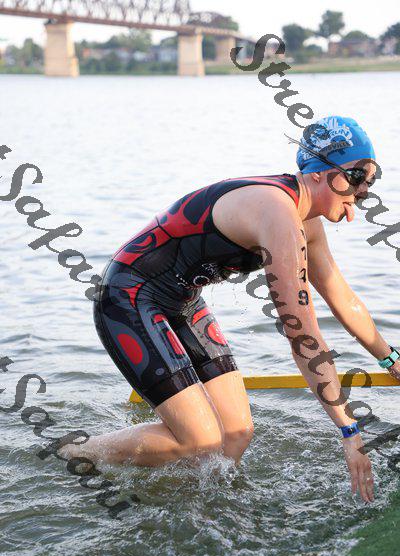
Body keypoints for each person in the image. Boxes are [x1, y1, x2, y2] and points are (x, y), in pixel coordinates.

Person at [63, 116, 400, 503]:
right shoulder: (278, 214)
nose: (362, 191)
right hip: (129, 295)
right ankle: (74, 453)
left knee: (237, 433)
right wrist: (348, 429)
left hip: (183, 301)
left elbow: (342, 297)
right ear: (319, 172)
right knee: (199, 440)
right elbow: (301, 333)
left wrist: (391, 358)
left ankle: (191, 507)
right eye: (356, 177)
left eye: (370, 182)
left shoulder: (306, 222)